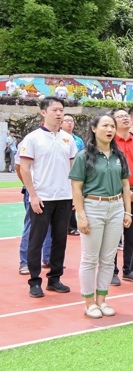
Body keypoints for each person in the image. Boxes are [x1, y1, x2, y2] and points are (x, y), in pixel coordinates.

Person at [69, 114, 132, 318]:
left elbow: (125, 184)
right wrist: (81, 216)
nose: (110, 129)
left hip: (115, 207)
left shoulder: (118, 155)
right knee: (89, 258)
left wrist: (127, 210)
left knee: (108, 258)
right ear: (94, 128)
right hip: (92, 207)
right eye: (105, 125)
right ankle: (89, 303)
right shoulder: (84, 156)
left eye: (112, 126)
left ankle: (102, 300)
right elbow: (76, 188)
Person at [20, 97, 78, 298]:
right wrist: (33, 195)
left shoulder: (68, 139)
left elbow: (73, 169)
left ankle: (54, 279)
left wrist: (74, 196)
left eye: (61, 110)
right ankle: (34, 281)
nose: (59, 114)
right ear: (43, 113)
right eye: (55, 110)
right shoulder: (32, 138)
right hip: (42, 198)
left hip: (64, 197)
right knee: (36, 240)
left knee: (60, 240)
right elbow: (25, 169)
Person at [111, 109, 133, 285]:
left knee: (132, 235)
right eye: (120, 116)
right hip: (115, 193)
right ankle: (111, 272)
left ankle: (129, 269)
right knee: (112, 235)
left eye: (126, 116)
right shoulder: (109, 143)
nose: (125, 118)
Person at [15, 144, 53, 275]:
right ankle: (25, 262)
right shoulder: (30, 140)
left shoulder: (60, 140)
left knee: (51, 225)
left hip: (52, 191)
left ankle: (48, 258)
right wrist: (29, 187)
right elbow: (18, 166)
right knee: (31, 225)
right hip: (34, 191)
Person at [61, 114, 83, 236]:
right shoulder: (58, 138)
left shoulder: (78, 140)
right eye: (67, 120)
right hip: (63, 174)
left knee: (75, 200)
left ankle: (73, 226)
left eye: (71, 121)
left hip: (75, 173)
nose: (69, 123)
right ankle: (68, 226)